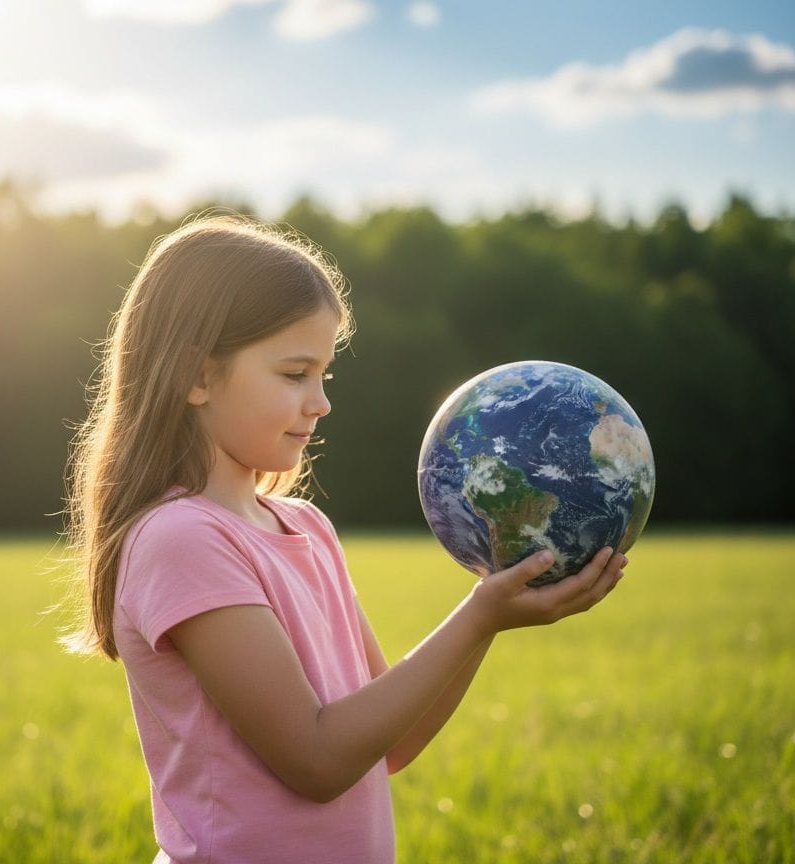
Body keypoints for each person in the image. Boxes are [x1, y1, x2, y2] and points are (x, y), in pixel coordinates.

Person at [61, 214, 627, 864]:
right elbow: (317, 759)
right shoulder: (181, 540)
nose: (322, 401)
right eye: (295, 373)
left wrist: (490, 613)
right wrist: (477, 618)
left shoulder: (306, 528)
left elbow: (391, 746)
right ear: (197, 377)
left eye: (325, 373)